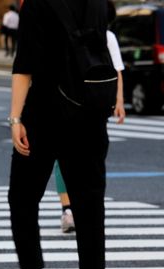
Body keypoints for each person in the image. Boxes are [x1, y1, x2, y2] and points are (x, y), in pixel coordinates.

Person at [0, 0, 116, 269]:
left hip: (45, 113)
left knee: (22, 197)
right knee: (90, 204)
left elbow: (25, 64)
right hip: (91, 112)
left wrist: (15, 117)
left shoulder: (38, 4)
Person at [54, 0, 125, 235]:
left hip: (75, 104)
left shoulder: (100, 36)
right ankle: (80, 207)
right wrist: (118, 102)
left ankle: (69, 209)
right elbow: (116, 72)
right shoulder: (107, 36)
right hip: (98, 104)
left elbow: (116, 71)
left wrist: (120, 101)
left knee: (65, 157)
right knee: (92, 155)